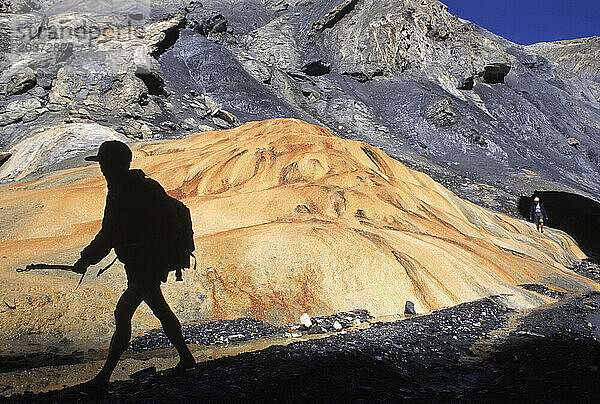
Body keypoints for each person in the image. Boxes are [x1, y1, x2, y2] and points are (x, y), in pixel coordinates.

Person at [72, 140, 196, 394]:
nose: (103, 169)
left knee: (123, 312)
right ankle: (186, 358)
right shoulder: (117, 192)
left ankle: (104, 377)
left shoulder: (144, 189)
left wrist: (148, 253)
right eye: (102, 164)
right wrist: (87, 258)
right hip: (137, 265)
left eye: (106, 163)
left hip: (148, 265)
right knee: (160, 309)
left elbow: (170, 226)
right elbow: (109, 233)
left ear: (120, 164)